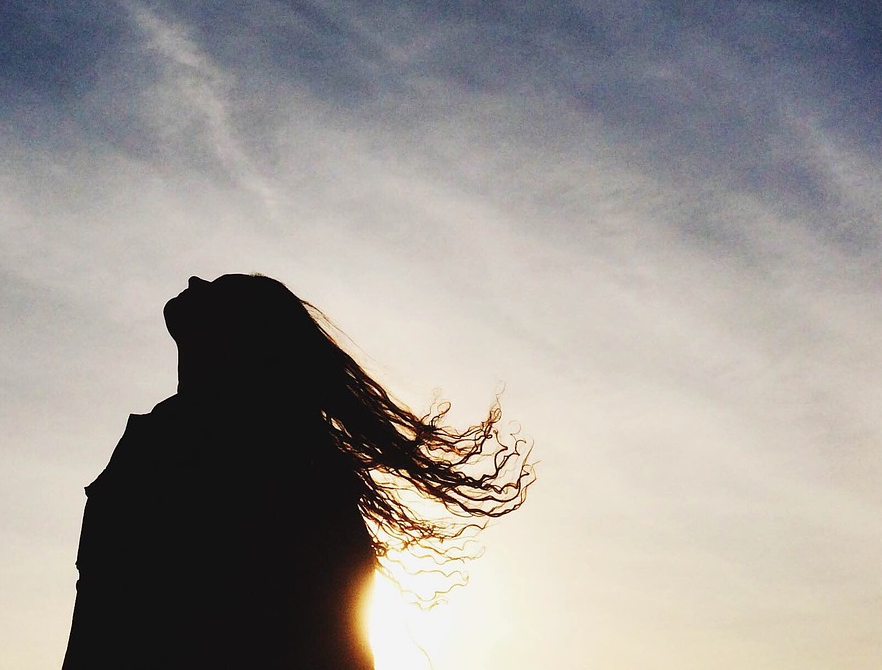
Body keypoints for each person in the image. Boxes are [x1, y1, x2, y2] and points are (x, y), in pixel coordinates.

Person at [60, 274, 533, 669]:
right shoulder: (190, 439)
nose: (194, 281)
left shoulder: (206, 448)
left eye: (221, 290)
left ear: (238, 337)